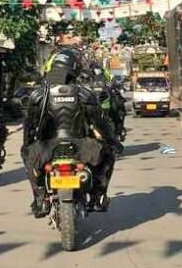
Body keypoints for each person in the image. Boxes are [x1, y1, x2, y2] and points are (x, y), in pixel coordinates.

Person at [21, 48, 119, 218]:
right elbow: (101, 123)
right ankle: (99, 196)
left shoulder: (38, 95)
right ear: (74, 69)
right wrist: (112, 141)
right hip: (81, 147)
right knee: (109, 155)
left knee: (28, 158)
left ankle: (40, 198)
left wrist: (27, 145)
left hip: (47, 149)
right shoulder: (85, 94)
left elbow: (29, 126)